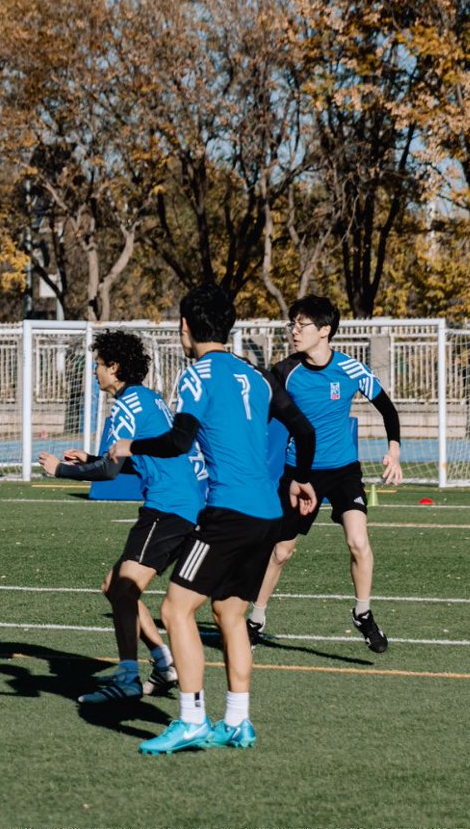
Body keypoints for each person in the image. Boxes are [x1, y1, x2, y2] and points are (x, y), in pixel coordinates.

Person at [109, 285, 317, 753]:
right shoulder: (258, 375)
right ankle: (238, 721)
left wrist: (130, 445)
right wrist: (301, 478)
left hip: (228, 513)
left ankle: (191, 720)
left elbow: (178, 441)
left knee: (175, 609)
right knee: (229, 612)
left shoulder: (196, 375)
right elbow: (304, 431)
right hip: (268, 513)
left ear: (185, 327)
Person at [38, 330, 203, 704]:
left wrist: (61, 471)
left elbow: (110, 472)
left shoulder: (127, 405)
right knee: (115, 586)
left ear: (114, 367)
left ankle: (129, 676)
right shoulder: (148, 398)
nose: (95, 372)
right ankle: (163, 663)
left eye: (98, 365)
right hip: (181, 504)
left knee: (125, 589)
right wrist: (90, 458)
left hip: (169, 507)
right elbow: (137, 461)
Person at [248, 296, 402, 653]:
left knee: (358, 542)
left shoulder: (351, 369)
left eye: (301, 325)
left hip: (344, 471)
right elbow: (258, 415)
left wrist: (393, 451)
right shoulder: (284, 371)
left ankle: (363, 613)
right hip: (300, 473)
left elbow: (387, 409)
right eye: (292, 324)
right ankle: (255, 620)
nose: (294, 331)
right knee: (282, 552)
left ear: (325, 330)